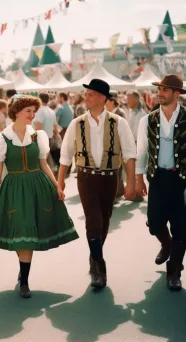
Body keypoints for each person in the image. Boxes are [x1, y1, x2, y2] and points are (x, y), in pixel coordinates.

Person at [0, 94, 79, 299]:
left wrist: (57, 186)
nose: (32, 115)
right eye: (28, 111)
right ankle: (23, 270)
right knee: (21, 233)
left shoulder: (38, 136)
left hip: (38, 187)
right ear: (16, 112)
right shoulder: (2, 137)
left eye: (34, 111)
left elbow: (44, 164)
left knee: (28, 235)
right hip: (14, 188)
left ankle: (24, 279)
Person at [58, 79, 136, 290]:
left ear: (103, 98)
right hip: (86, 177)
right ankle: (99, 267)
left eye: (91, 94)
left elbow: (129, 154)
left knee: (105, 220)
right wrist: (60, 182)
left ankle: (94, 256)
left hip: (111, 177)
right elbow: (65, 155)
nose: (87, 97)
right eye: (87, 93)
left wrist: (131, 183)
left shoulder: (119, 122)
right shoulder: (77, 123)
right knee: (93, 220)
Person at [136, 75, 186, 291]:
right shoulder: (147, 119)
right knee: (155, 223)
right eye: (160, 89)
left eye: (165, 89)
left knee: (182, 228)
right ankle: (166, 245)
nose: (160, 92)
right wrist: (138, 179)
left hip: (182, 179)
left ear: (176, 94)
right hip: (157, 178)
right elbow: (141, 152)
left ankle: (174, 271)